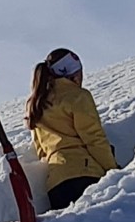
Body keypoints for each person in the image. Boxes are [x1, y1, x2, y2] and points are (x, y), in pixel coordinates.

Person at [24, 49, 120, 210]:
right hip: (85, 174)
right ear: (74, 75)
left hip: (55, 184)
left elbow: (41, 149)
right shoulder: (78, 96)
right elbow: (94, 138)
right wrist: (113, 168)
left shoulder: (36, 103)